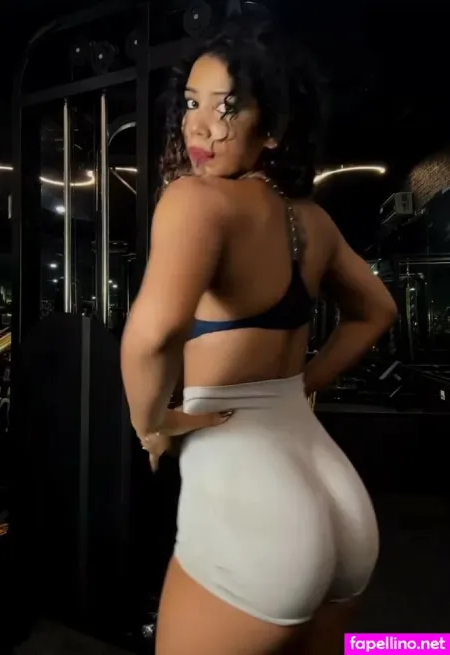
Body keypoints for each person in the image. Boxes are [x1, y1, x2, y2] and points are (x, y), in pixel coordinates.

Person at [120, 17, 397, 655]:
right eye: (192, 103)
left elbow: (151, 337)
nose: (199, 127)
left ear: (272, 130)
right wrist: (302, 386)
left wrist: (152, 424)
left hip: (257, 511)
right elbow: (378, 311)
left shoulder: (195, 201)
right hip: (340, 505)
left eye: (227, 109)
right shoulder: (313, 221)